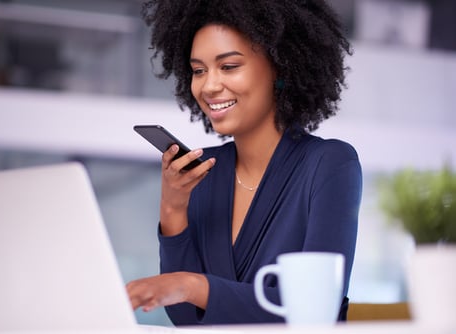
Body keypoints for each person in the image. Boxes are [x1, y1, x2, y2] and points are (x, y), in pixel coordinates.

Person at [126, 0, 362, 326]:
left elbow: (310, 310)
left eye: (229, 66)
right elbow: (185, 317)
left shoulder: (330, 164)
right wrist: (172, 210)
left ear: (281, 66)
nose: (209, 85)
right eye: (198, 70)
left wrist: (191, 286)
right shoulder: (203, 171)